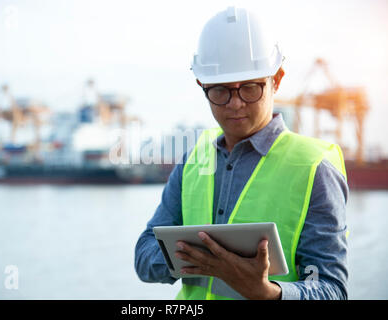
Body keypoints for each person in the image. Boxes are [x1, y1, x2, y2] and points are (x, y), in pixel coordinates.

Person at [134, 6, 348, 300]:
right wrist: (194, 258)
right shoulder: (193, 162)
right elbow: (144, 256)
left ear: (277, 79)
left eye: (249, 88)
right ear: (202, 85)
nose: (235, 104)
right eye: (220, 91)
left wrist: (268, 293)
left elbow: (331, 289)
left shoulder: (315, 168)